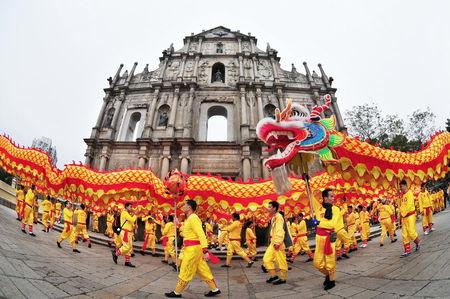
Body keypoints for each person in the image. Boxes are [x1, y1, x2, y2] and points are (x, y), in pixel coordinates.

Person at [165, 199, 221, 298]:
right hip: (193, 249)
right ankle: (214, 289)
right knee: (203, 270)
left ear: (189, 207)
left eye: (185, 205)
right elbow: (186, 233)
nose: (183, 206)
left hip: (192, 250)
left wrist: (205, 250)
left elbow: (201, 234)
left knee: (186, 269)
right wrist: (178, 224)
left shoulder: (193, 218)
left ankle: (177, 292)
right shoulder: (190, 218)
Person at [313, 189, 339, 291]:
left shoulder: (336, 209)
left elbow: (332, 224)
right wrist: (306, 180)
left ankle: (332, 280)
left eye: (333, 196)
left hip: (329, 237)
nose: (333, 198)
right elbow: (310, 197)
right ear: (325, 198)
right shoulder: (318, 208)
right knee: (317, 263)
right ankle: (328, 274)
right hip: (319, 238)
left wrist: (318, 223)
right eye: (331, 196)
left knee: (330, 261)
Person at [263, 201, 288, 285]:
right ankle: (274, 276)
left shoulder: (279, 217)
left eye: (270, 207)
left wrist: (278, 242)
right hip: (273, 242)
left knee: (281, 261)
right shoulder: (274, 217)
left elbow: (280, 230)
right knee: (266, 259)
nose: (268, 208)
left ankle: (283, 278)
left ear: (274, 208)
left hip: (278, 243)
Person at [111, 202, 137, 267]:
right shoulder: (124, 213)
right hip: (125, 232)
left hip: (129, 233)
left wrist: (134, 226)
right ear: (126, 207)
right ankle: (116, 254)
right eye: (130, 207)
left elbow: (131, 223)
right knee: (126, 247)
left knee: (129, 248)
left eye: (131, 207)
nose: (131, 208)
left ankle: (127, 261)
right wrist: (135, 215)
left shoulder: (129, 214)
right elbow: (132, 219)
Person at [399, 180, 420, 257]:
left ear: (405, 185)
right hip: (404, 217)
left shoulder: (410, 193)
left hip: (410, 215)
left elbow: (409, 205)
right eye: (400, 187)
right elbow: (401, 206)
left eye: (401, 186)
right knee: (404, 234)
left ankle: (417, 243)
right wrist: (400, 214)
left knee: (411, 232)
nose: (400, 188)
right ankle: (407, 250)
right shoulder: (401, 196)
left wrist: (403, 213)